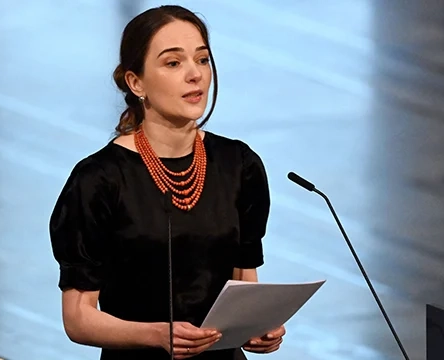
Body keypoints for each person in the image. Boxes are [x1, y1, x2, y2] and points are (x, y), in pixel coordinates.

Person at [48, 5, 285, 360]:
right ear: (136, 82)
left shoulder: (239, 165)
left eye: (202, 60)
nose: (195, 75)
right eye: (173, 63)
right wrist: (157, 334)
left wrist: (257, 327)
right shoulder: (98, 180)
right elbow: (78, 318)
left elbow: (242, 282)